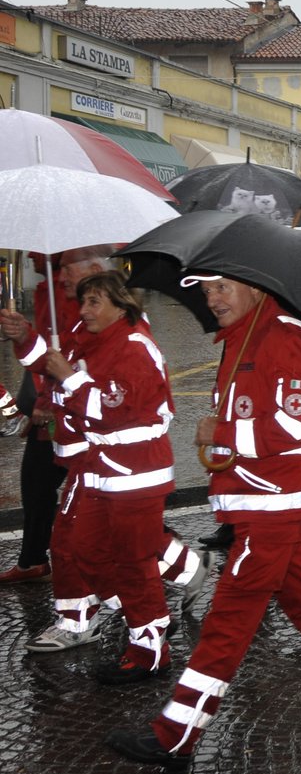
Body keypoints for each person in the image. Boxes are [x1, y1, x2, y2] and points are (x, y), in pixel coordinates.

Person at [106, 274, 301, 768]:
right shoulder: (244, 337)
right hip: (264, 504)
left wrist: (227, 432)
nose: (212, 299)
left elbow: (300, 427)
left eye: (223, 288)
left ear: (256, 287)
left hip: (272, 508)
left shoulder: (286, 338)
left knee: (228, 622)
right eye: (208, 290)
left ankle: (176, 733)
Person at [1, 270, 209, 676]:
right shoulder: (91, 335)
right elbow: (51, 361)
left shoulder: (134, 347)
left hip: (133, 474)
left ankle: (149, 649)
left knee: (131, 562)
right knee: (80, 547)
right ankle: (128, 608)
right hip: (96, 468)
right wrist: (23, 336)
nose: (84, 309)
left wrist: (69, 378)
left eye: (94, 301)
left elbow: (115, 411)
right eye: (83, 300)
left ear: (121, 303)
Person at [0, 250, 96, 584]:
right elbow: (46, 356)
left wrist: (46, 403)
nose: (29, 255)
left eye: (36, 252)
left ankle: (168, 556)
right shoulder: (49, 291)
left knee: (102, 501)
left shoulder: (71, 292)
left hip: (73, 415)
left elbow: (71, 356)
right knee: (38, 486)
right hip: (56, 411)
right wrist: (24, 335)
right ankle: (33, 560)